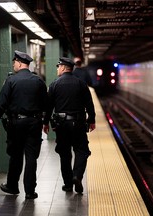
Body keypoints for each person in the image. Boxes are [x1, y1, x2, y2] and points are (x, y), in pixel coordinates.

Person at [0, 50, 48, 199]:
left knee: (16, 155)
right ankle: (30, 191)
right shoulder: (38, 81)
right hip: (34, 123)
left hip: (16, 123)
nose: (13, 65)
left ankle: (12, 186)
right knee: (31, 157)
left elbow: (2, 103)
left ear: (19, 63)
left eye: (14, 63)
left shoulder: (11, 81)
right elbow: (46, 104)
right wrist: (45, 121)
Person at [43, 57, 96, 194]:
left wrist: (45, 122)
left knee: (64, 153)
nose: (57, 69)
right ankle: (77, 176)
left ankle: (68, 185)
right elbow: (89, 104)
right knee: (82, 150)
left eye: (58, 67)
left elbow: (49, 106)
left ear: (62, 68)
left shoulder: (54, 84)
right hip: (78, 123)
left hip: (61, 125)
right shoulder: (81, 84)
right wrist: (92, 120)